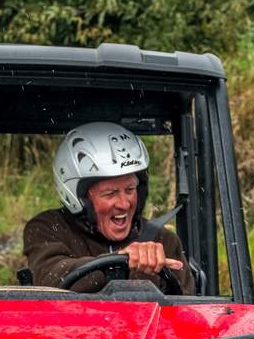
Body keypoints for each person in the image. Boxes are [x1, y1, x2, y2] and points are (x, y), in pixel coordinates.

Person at [23, 122, 195, 294]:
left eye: (130, 190)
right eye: (109, 193)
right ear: (80, 199)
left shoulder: (163, 240)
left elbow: (188, 311)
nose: (124, 204)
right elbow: (47, 279)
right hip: (71, 321)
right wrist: (120, 261)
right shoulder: (48, 228)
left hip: (144, 322)